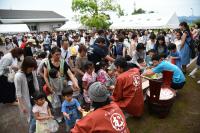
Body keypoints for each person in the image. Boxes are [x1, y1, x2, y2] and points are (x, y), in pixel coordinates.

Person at [15, 56, 39, 133]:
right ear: (25, 66)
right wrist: (22, 106)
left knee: (36, 113)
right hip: (26, 98)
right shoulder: (18, 76)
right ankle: (31, 130)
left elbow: (35, 82)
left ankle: (36, 129)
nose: (32, 69)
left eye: (33, 67)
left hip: (34, 95)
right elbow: (18, 93)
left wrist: (38, 93)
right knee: (32, 116)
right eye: (31, 67)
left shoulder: (32, 71)